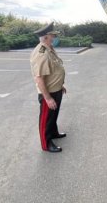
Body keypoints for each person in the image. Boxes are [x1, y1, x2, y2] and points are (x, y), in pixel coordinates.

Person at [30, 22, 67, 153]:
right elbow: (39, 78)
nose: (55, 38)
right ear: (46, 37)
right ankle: (46, 143)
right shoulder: (42, 53)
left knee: (53, 115)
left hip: (56, 89)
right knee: (46, 118)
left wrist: (60, 85)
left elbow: (54, 70)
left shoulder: (49, 48)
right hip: (49, 93)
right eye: (53, 35)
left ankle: (54, 132)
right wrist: (48, 98)